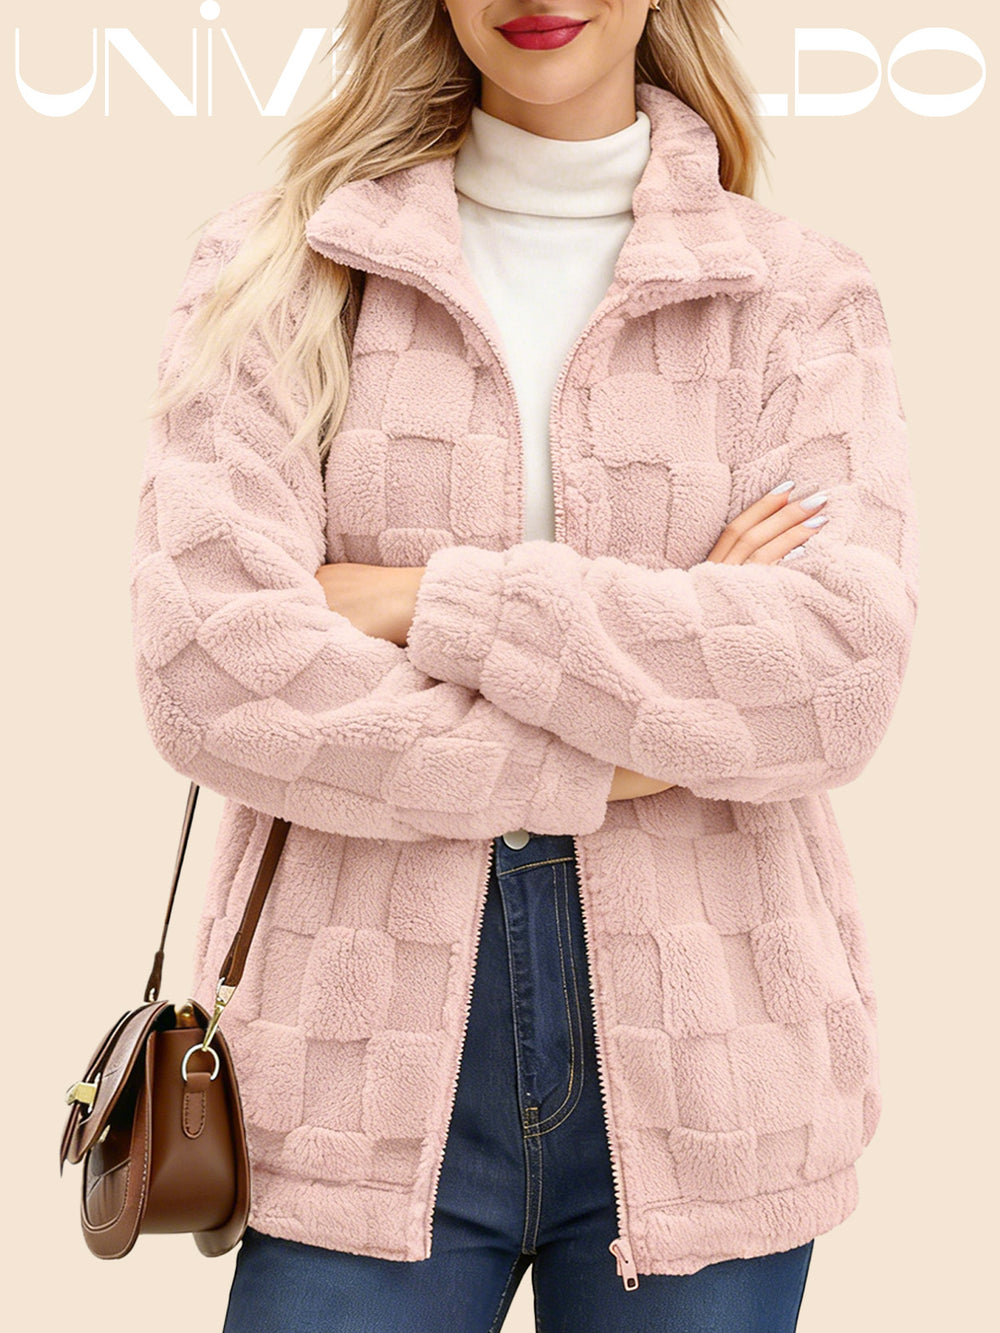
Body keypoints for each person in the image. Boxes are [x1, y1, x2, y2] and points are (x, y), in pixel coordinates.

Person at [131, 1, 919, 1329]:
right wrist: (642, 736)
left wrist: (422, 598)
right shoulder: (281, 269)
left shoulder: (796, 297)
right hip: (347, 1061)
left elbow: (831, 677)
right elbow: (214, 674)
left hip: (719, 1070)